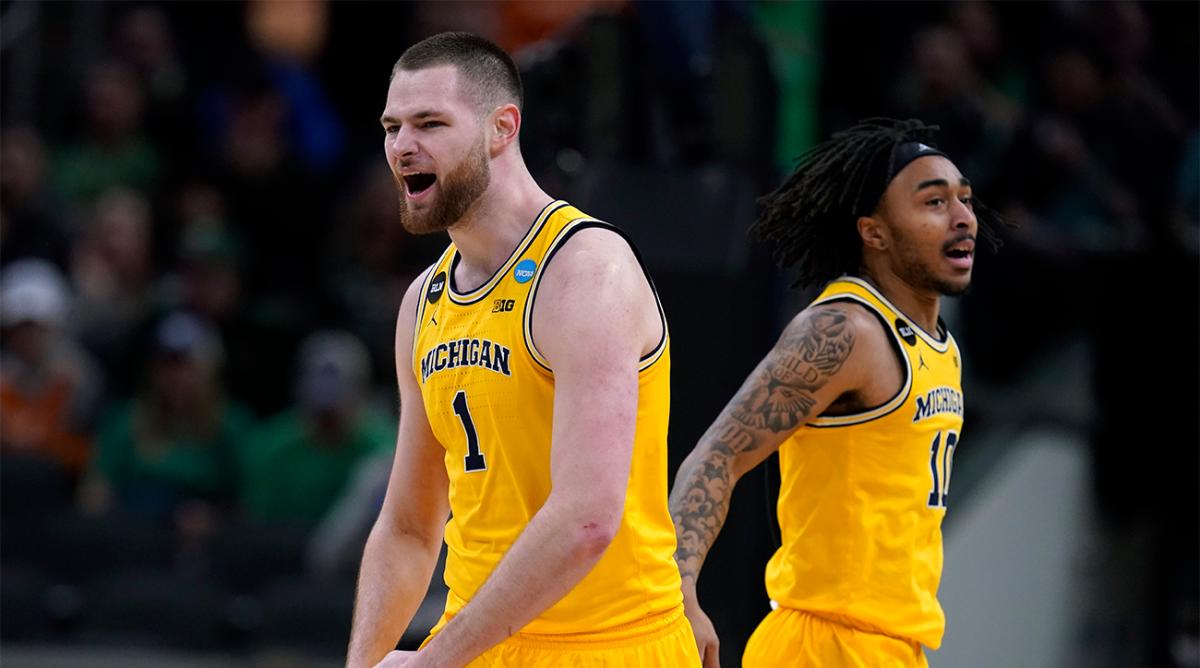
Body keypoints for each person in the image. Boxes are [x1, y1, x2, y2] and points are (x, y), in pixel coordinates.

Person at [346, 32, 700, 668]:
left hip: (608, 648)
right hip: (475, 642)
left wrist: (431, 662)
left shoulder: (586, 271)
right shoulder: (423, 303)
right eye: (392, 127)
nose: (402, 147)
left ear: (500, 128)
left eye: (430, 123)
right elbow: (408, 528)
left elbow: (587, 520)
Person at [668, 118, 1006, 667]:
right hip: (822, 644)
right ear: (873, 232)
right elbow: (718, 454)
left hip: (893, 647)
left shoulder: (940, 346)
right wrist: (679, 590)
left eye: (964, 200)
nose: (964, 217)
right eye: (934, 203)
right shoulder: (845, 330)